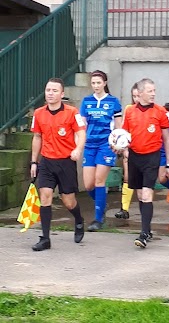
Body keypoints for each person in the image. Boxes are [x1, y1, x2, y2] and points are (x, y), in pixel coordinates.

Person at [30, 78, 86, 251]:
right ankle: (45, 238)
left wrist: (78, 149)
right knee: (45, 196)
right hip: (47, 161)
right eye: (48, 90)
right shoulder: (39, 113)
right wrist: (34, 161)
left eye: (54, 91)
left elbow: (81, 133)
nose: (50, 94)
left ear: (62, 94)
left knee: (68, 201)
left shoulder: (72, 112)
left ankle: (78, 220)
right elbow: (37, 137)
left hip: (66, 162)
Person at [122, 78, 169, 248]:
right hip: (135, 157)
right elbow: (124, 135)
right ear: (141, 93)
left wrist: (168, 162)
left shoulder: (160, 112)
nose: (153, 94)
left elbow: (167, 139)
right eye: (150, 91)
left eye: (154, 90)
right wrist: (121, 147)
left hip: (152, 157)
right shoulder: (130, 112)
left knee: (146, 194)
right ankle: (148, 228)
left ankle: (143, 235)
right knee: (140, 196)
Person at [80, 70, 122, 232]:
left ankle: (98, 219)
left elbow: (119, 127)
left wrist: (118, 144)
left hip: (106, 145)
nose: (96, 86)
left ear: (104, 83)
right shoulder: (86, 101)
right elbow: (82, 125)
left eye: (99, 82)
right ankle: (101, 204)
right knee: (89, 185)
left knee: (99, 180)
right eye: (93, 83)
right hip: (90, 145)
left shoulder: (113, 102)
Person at [115, 82, 139, 219]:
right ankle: (124, 209)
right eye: (133, 96)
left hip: (144, 150)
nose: (136, 99)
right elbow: (125, 129)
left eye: (138, 95)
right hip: (130, 147)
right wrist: (123, 147)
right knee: (127, 177)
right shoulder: (129, 109)